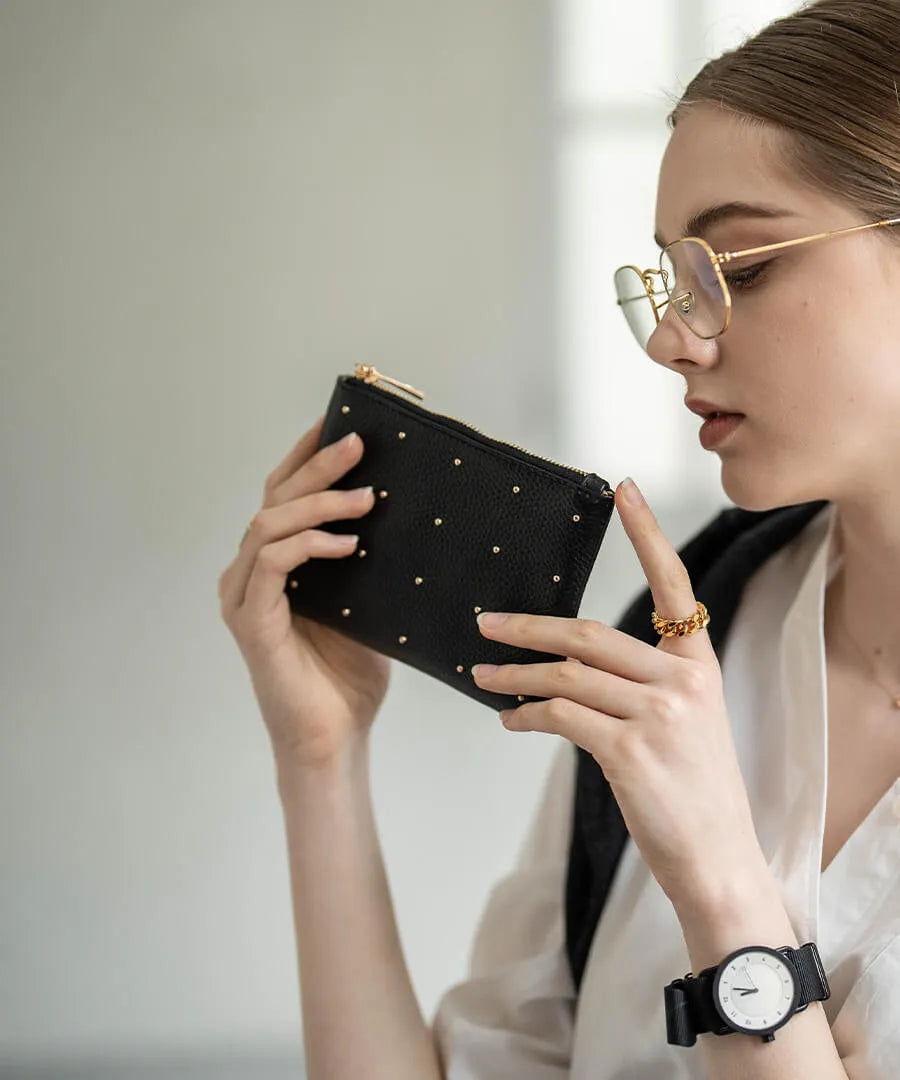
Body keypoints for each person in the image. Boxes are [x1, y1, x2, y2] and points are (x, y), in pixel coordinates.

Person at [217, 1, 900, 1076]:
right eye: (669, 279)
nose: (673, 339)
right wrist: (322, 755)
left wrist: (721, 882)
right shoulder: (683, 658)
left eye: (738, 266)